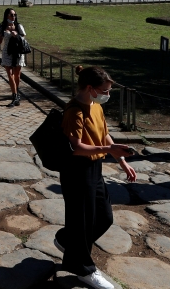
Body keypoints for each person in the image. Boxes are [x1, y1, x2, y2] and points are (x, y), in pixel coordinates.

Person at [56, 66, 136, 289]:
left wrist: (121, 160)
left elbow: (104, 134)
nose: (107, 95)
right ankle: (84, 269)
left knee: (104, 217)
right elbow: (77, 147)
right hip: (77, 170)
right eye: (105, 90)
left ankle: (66, 241)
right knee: (83, 221)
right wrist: (109, 150)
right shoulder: (74, 111)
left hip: (94, 168)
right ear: (90, 88)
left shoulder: (95, 106)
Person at [0, 8, 26, 107]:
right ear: (6, 16)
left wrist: (17, 35)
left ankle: (16, 92)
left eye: (14, 15)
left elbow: (23, 39)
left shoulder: (18, 26)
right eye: (11, 15)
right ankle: (15, 96)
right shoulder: (1, 27)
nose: (13, 17)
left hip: (18, 52)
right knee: (10, 74)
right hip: (7, 53)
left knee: (17, 75)